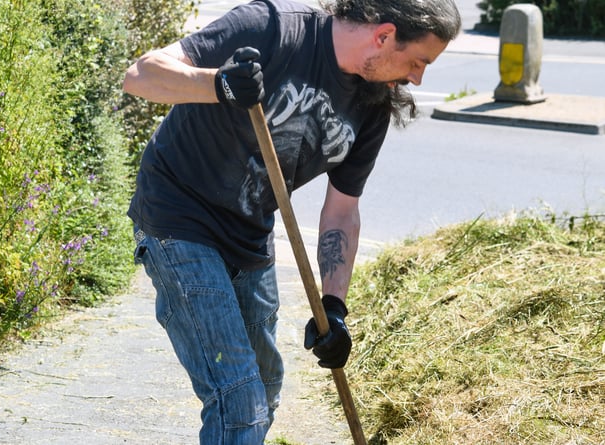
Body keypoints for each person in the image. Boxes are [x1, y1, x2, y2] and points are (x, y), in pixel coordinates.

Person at [122, 0, 461, 443]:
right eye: (418, 61)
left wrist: (334, 309)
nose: (417, 78)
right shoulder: (271, 29)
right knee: (238, 401)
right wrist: (220, 84)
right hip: (178, 217)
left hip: (249, 233)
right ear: (383, 35)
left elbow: (342, 210)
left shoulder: (373, 102)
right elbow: (141, 76)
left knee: (264, 389)